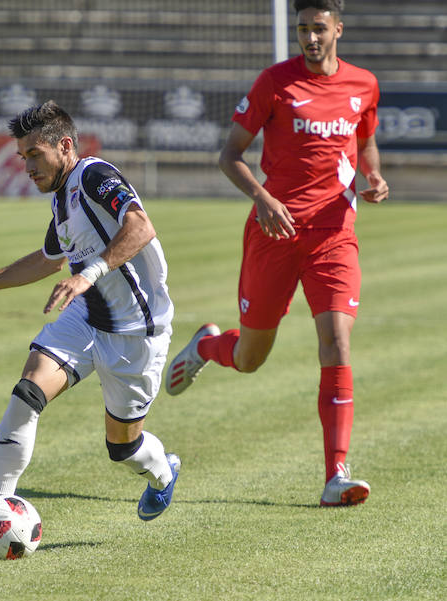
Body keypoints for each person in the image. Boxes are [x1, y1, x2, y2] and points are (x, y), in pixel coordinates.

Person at [165, 0, 388, 507]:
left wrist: (373, 177)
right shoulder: (275, 82)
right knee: (249, 359)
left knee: (336, 342)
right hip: (274, 234)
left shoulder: (363, 85)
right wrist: (263, 199)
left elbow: (366, 142)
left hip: (335, 234)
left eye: (319, 29)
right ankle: (206, 346)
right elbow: (229, 155)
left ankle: (337, 474)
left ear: (338, 30)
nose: (310, 38)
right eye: (303, 29)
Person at [0, 100, 179, 535]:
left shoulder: (93, 175)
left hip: (136, 333)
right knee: (26, 395)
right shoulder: (62, 200)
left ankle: (164, 471)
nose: (27, 166)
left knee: (123, 448)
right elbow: (47, 261)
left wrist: (89, 275)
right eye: (22, 156)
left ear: (64, 146)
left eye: (34, 154)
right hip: (86, 318)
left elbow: (141, 227)